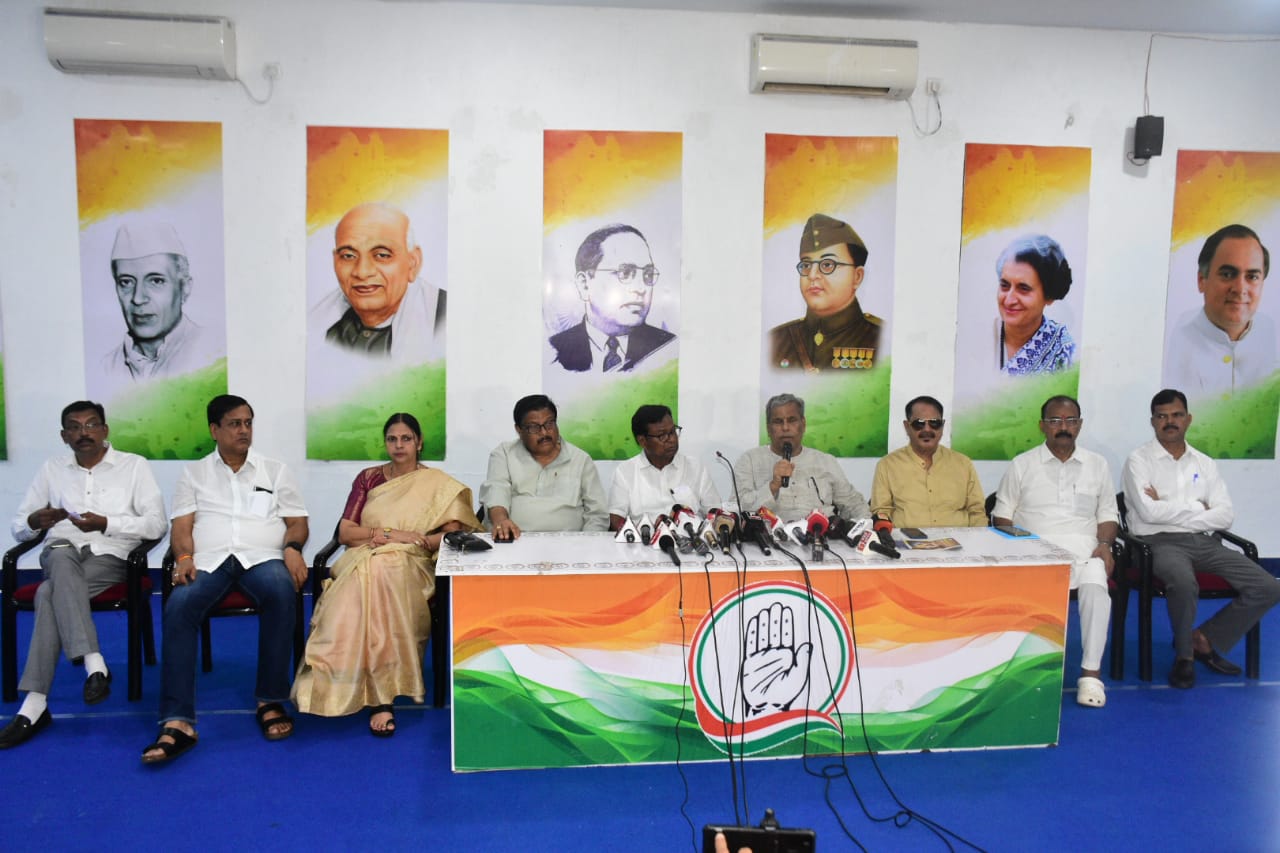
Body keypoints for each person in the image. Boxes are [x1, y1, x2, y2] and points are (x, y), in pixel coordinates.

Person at [141, 395, 310, 764]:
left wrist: (293, 547)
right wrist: (184, 558)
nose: (243, 430)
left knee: (281, 591)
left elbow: (297, 521)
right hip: (209, 560)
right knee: (180, 605)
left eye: (248, 422)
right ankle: (178, 720)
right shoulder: (194, 474)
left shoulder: (275, 470)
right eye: (234, 424)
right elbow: (182, 527)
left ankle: (270, 699)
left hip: (262, 557)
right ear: (214, 429)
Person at [293, 413, 480, 735]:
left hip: (412, 563)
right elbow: (346, 533)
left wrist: (416, 541)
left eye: (406, 438)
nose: (399, 445)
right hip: (364, 556)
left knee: (382, 569)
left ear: (419, 443)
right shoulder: (368, 479)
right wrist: (389, 534)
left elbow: (451, 536)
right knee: (373, 571)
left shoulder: (438, 484)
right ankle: (349, 682)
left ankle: (381, 695)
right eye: (392, 439)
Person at [0, 402, 165, 749]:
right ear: (64, 436)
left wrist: (107, 523)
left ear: (105, 430)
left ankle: (35, 704)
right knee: (60, 555)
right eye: (74, 427)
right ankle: (94, 664)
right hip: (62, 552)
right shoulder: (52, 469)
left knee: (47, 593)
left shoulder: (134, 466)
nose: (83, 432)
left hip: (111, 555)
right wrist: (34, 521)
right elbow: (19, 526)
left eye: (91, 425)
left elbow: (156, 524)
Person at [1121, 388, 1280, 689]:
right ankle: (1185, 657)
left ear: (1188, 419)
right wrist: (1198, 508)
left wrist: (1168, 506)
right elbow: (1148, 513)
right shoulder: (1138, 461)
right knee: (1183, 581)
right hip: (1157, 543)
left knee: (1269, 587)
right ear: (1152, 421)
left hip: (1203, 542)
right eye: (1162, 416)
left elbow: (1224, 516)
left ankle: (1204, 638)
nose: (1170, 421)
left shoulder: (1204, 463)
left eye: (1177, 415)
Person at [992, 395, 1118, 708]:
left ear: (1080, 425)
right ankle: (1028, 670)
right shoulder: (1022, 464)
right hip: (1035, 553)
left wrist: (1105, 545)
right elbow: (1001, 517)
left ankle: (1091, 674)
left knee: (1096, 583)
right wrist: (1025, 548)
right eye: (1055, 421)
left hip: (1085, 552)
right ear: (1042, 426)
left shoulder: (1097, 464)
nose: (1064, 427)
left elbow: (1107, 515)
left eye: (1070, 420)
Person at [313, 202, 447, 361]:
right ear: (335, 260)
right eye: (348, 256)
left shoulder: (447, 320)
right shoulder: (322, 328)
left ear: (413, 263)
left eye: (382, 255)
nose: (362, 272)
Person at [1164, 224, 1275, 396]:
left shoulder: (1273, 335)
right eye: (1227, 274)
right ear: (1202, 280)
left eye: (1252, 277)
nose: (1240, 289)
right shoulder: (1177, 342)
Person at [102, 220, 222, 381]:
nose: (138, 298)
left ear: (185, 287)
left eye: (156, 281)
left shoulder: (215, 354)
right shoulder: (106, 367)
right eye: (126, 282)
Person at [549, 224, 675, 372]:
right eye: (625, 273)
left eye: (648, 274)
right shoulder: (553, 351)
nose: (641, 288)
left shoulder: (668, 348)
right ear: (585, 284)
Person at [479, 395, 608, 540]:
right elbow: (496, 490)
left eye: (549, 424)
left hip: (569, 543)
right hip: (514, 540)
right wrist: (501, 520)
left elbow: (597, 514)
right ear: (519, 430)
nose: (544, 433)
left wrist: (587, 544)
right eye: (534, 427)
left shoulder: (580, 460)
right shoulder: (504, 454)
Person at [769, 213, 882, 372]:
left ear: (857, 277)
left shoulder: (881, 338)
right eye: (806, 265)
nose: (812, 275)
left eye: (828, 264)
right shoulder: (776, 340)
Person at [733, 393, 870, 521]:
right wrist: (773, 486)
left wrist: (863, 527)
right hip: (770, 534)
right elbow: (736, 509)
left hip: (820, 534)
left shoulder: (825, 461)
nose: (785, 428)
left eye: (792, 420)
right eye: (778, 422)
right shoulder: (749, 461)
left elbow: (854, 504)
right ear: (769, 429)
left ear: (803, 425)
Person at [870, 395, 986, 528]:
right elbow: (881, 513)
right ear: (907, 426)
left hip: (959, 540)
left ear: (942, 426)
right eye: (919, 423)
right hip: (905, 540)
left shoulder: (963, 464)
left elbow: (977, 512)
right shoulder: (888, 465)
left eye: (934, 423)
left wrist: (977, 539)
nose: (927, 429)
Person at [607, 405, 721, 530]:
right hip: (644, 540)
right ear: (642, 441)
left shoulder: (696, 468)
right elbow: (616, 519)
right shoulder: (625, 471)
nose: (672, 439)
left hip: (690, 538)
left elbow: (715, 512)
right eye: (662, 436)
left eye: (672, 432)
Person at [992, 234, 1076, 375]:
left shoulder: (1064, 352)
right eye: (1004, 285)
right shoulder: (976, 336)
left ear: (1049, 296)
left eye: (1023, 288)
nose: (1009, 300)